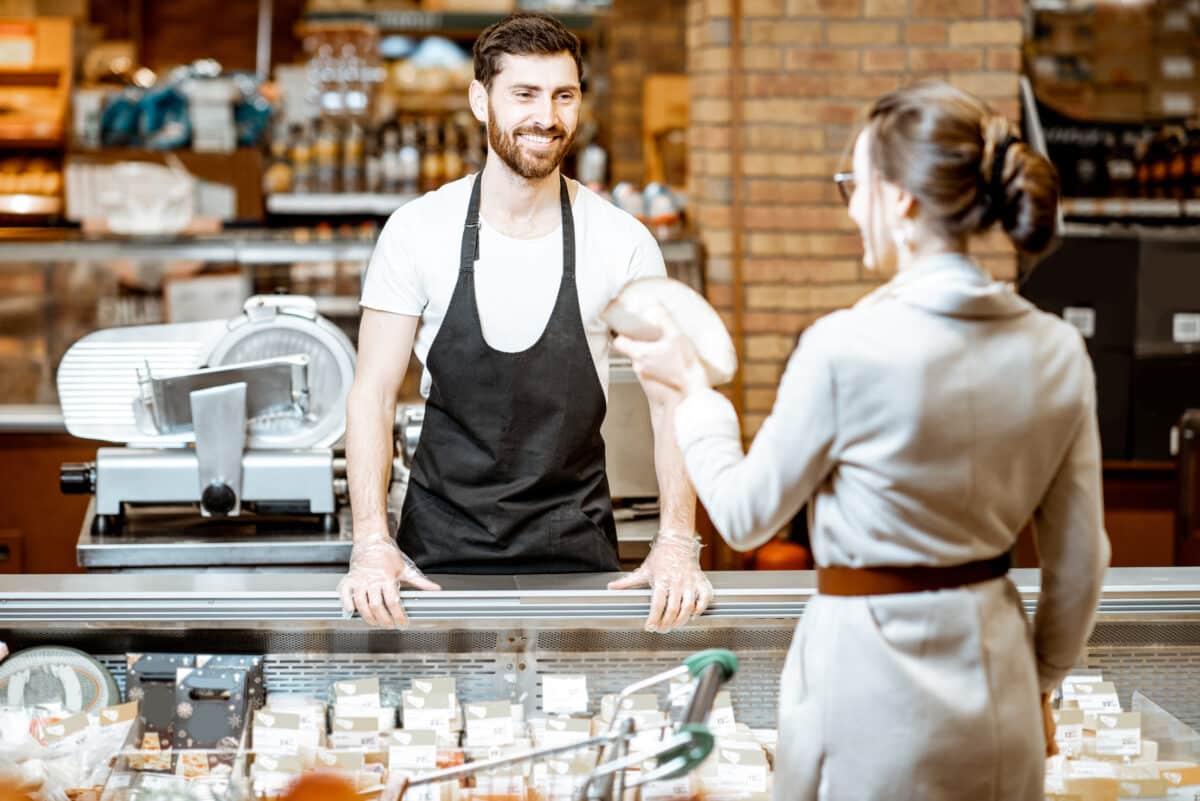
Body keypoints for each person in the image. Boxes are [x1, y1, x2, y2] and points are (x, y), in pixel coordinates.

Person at [617, 81, 1110, 800]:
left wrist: (694, 394)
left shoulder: (844, 345)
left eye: (855, 184)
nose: (851, 206)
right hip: (996, 675)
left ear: (901, 198)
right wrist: (1038, 681)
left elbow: (748, 514)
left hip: (868, 681)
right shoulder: (1058, 347)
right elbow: (1081, 560)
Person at [338, 12, 711, 632]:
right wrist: (371, 541)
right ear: (480, 100)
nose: (547, 116)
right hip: (436, 557)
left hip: (578, 550)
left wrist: (677, 540)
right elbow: (371, 394)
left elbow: (673, 401)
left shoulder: (622, 241)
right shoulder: (417, 230)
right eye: (525, 94)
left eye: (564, 95)